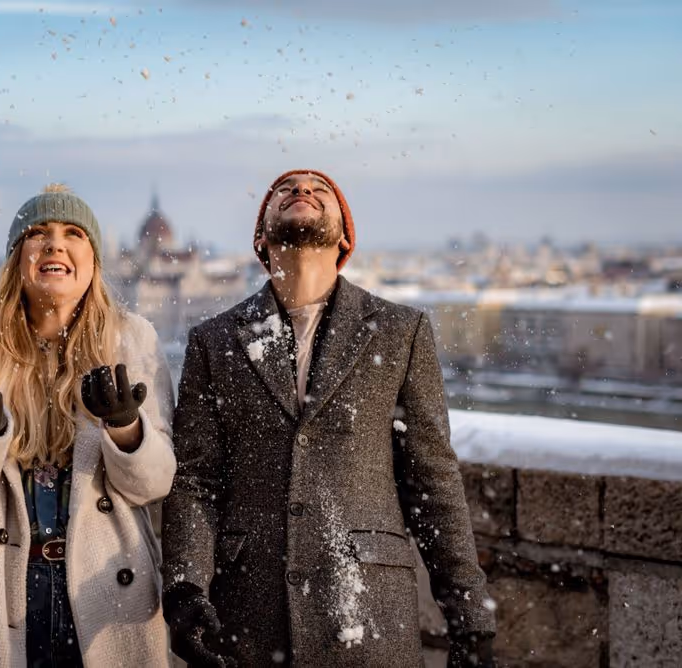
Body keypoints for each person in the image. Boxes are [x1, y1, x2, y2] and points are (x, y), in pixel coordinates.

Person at [161, 170, 496, 667]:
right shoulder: (215, 342)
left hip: (368, 608)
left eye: (319, 190)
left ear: (344, 238)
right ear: (260, 237)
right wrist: (187, 588)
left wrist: (470, 618)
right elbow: (196, 480)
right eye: (286, 189)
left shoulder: (400, 332)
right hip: (250, 609)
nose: (302, 190)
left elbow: (431, 481)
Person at [0, 184, 177, 668]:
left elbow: (156, 483)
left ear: (93, 262)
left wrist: (125, 428)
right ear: (17, 260)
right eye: (38, 234)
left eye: (73, 233)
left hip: (105, 588)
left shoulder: (133, 341)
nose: (55, 244)